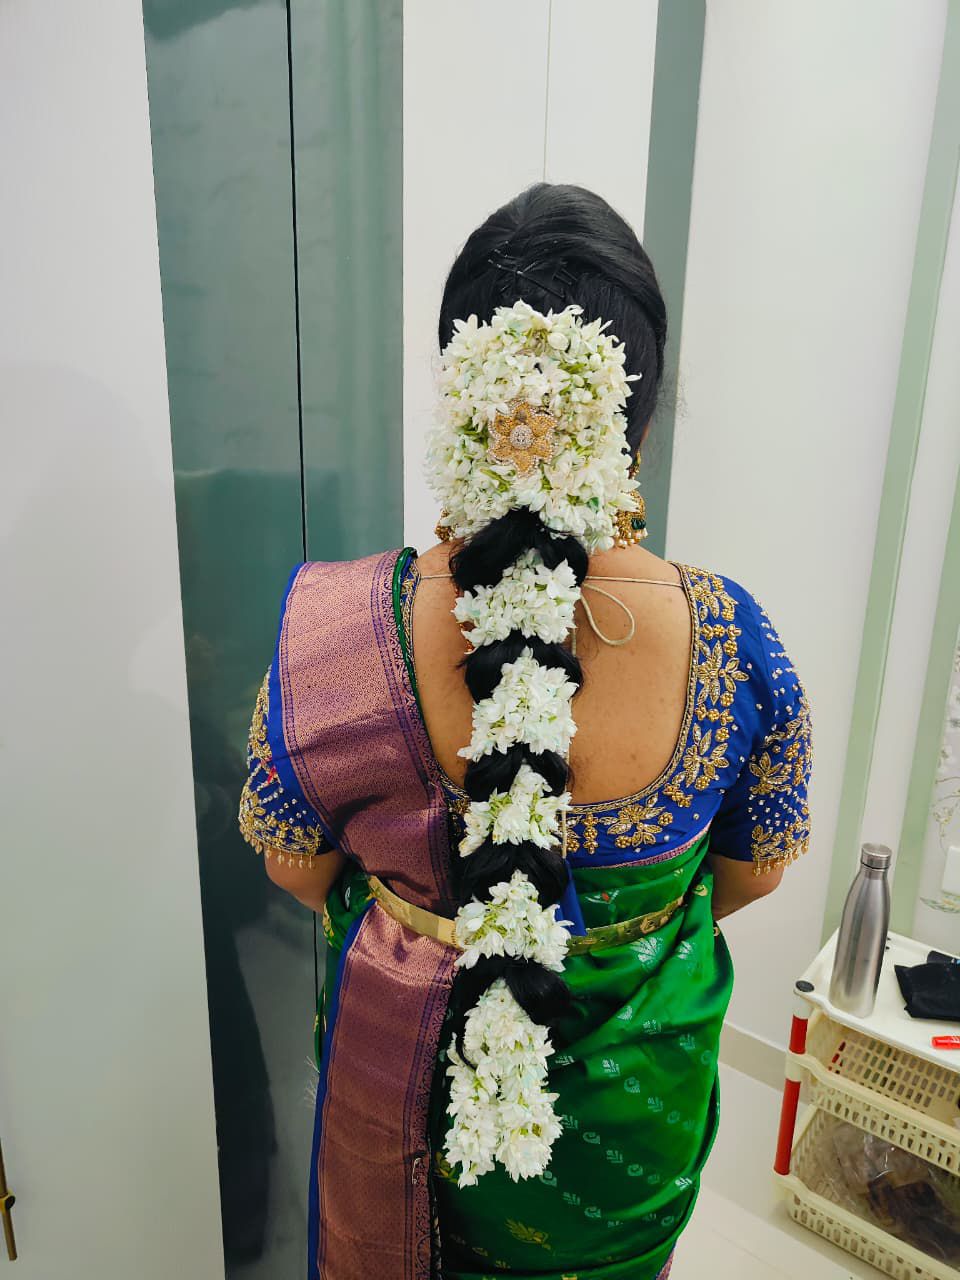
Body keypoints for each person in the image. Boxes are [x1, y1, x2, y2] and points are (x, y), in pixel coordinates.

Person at [237, 182, 813, 1280]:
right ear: (640, 418)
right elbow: (754, 872)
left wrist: (424, 917)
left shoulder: (337, 631)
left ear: (462, 391)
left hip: (400, 1105)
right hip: (625, 1149)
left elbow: (291, 863)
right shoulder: (735, 637)